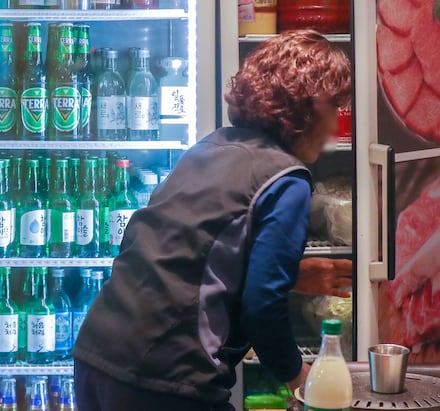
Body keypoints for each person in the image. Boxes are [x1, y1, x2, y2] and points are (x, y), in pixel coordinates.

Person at [72, 30, 352, 411]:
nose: (334, 126)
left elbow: (176, 253)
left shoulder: (210, 146)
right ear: (310, 108)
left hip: (96, 356)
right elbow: (261, 307)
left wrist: (291, 277)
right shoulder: (286, 180)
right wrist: (298, 376)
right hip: (166, 377)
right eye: (334, 108)